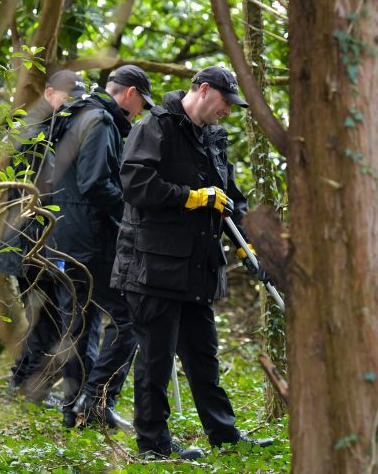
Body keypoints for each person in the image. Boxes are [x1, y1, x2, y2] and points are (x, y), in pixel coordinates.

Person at [111, 66, 274, 460]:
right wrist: (191, 197)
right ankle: (153, 444)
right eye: (225, 103)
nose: (229, 113)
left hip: (197, 269)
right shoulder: (156, 126)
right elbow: (134, 183)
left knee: (203, 356)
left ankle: (224, 435)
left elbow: (232, 198)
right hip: (152, 268)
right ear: (203, 90)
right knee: (155, 360)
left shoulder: (213, 139)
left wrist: (247, 247)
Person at [47, 65, 154, 429]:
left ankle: (74, 409)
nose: (139, 113)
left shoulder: (75, 113)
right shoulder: (101, 122)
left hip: (61, 236)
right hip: (89, 238)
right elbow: (95, 183)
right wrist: (132, 215)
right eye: (142, 104)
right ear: (130, 94)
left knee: (78, 321)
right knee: (130, 319)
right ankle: (95, 401)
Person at [0, 69, 86, 402]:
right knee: (44, 317)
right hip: (29, 238)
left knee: (45, 315)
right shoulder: (33, 131)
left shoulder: (54, 129)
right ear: (49, 94)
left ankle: (25, 383)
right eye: (66, 98)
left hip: (41, 238)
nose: (71, 105)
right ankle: (30, 388)